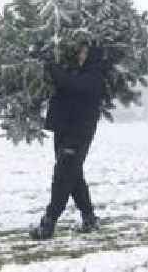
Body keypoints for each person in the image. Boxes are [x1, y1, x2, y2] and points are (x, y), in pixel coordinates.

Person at [30, 44, 104, 240]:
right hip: (64, 132)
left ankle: (48, 223)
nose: (80, 54)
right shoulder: (80, 72)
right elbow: (65, 87)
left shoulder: (94, 76)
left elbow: (70, 84)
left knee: (62, 178)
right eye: (81, 51)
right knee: (74, 178)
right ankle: (89, 219)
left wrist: (51, 64)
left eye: (84, 52)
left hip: (77, 135)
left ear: (92, 57)